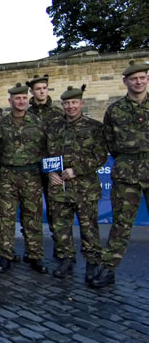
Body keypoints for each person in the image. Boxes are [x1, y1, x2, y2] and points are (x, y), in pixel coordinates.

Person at [45, 84, 107, 281]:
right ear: (62, 105)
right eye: (66, 103)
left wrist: (76, 170)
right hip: (59, 186)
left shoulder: (94, 127)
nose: (70, 106)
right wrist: (49, 172)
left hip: (84, 187)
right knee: (61, 225)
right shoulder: (54, 127)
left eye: (74, 102)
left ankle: (92, 262)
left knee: (88, 227)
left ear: (81, 103)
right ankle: (66, 259)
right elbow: (44, 152)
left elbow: (100, 156)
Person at [97, 61, 149, 287]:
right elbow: (109, 142)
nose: (138, 82)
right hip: (126, 173)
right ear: (125, 81)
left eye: (142, 77)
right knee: (121, 224)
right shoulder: (115, 110)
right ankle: (108, 269)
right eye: (133, 78)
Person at [0, 83, 47, 274]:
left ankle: (35, 255)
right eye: (17, 98)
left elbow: (44, 148)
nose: (21, 101)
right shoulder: (2, 123)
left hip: (31, 175)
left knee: (32, 216)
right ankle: (6, 255)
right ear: (10, 101)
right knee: (5, 217)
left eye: (24, 97)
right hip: (8, 175)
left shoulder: (38, 123)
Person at [26, 74, 62, 259]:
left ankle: (61, 249)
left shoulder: (58, 113)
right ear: (31, 91)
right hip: (32, 169)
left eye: (44, 88)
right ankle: (33, 252)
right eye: (38, 89)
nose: (41, 91)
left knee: (56, 211)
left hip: (53, 168)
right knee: (32, 212)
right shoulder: (26, 113)